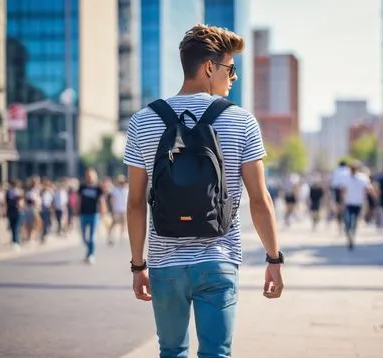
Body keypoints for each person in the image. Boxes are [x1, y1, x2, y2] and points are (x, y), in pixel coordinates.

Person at [124, 24, 283, 358]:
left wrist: (139, 265)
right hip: (218, 259)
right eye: (231, 68)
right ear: (210, 67)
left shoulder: (143, 120)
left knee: (171, 352)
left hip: (165, 261)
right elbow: (259, 199)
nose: (233, 77)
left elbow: (136, 203)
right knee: (216, 354)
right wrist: (273, 258)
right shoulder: (241, 121)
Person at [340, 162, 375, 250]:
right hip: (348, 203)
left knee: (354, 220)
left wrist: (373, 198)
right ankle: (349, 235)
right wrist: (342, 202)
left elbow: (369, 188)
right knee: (347, 220)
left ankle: (352, 236)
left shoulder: (363, 178)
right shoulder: (345, 178)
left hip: (358, 203)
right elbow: (343, 190)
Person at [77, 168, 104, 264]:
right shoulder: (82, 187)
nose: (89, 177)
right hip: (83, 214)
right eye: (87, 176)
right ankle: (89, 250)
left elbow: (101, 201)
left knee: (92, 236)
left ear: (94, 177)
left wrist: (103, 213)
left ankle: (91, 255)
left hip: (94, 214)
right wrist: (76, 211)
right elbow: (79, 199)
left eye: (91, 176)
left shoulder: (98, 188)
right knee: (84, 237)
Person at [108, 174, 129, 245]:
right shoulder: (115, 190)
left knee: (123, 225)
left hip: (123, 210)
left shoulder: (126, 190)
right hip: (116, 210)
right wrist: (111, 209)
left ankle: (121, 238)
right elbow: (110, 199)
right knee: (113, 224)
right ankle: (111, 237)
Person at [330, 161, 349, 232]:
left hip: (337, 190)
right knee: (346, 206)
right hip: (346, 190)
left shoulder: (336, 171)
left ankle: (339, 224)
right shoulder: (347, 170)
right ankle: (346, 222)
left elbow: (332, 183)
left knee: (338, 208)